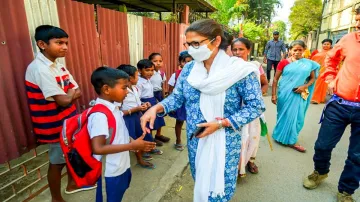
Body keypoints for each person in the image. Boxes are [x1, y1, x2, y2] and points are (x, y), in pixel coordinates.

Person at [140, 19, 265, 202]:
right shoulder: (190, 69)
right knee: (200, 178)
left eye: (196, 44)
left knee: (220, 183)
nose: (191, 49)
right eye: (188, 44)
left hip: (226, 140)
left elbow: (256, 106)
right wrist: (156, 107)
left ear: (215, 41)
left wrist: (222, 123)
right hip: (196, 138)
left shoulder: (239, 71)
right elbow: (177, 97)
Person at [25, 25, 92, 202]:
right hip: (54, 126)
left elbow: (78, 90)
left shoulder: (58, 66)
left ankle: (72, 185)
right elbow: (64, 100)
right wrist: (69, 95)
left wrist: (68, 95)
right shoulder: (40, 69)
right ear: (42, 44)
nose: (65, 47)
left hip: (67, 121)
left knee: (69, 154)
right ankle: (56, 198)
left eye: (66, 43)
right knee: (57, 162)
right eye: (59, 43)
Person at [303, 7, 360, 202]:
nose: (357, 24)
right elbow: (331, 58)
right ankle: (320, 171)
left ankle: (346, 190)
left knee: (357, 155)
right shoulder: (349, 39)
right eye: (357, 19)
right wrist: (330, 78)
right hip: (339, 104)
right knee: (323, 145)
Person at [89, 67, 156, 202]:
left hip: (121, 166)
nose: (127, 92)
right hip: (109, 172)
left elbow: (120, 133)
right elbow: (98, 148)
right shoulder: (99, 115)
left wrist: (133, 143)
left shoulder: (114, 108)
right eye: (124, 88)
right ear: (106, 89)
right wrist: (131, 145)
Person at [271, 40, 319, 153]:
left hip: (299, 94)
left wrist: (305, 86)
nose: (297, 52)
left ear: (304, 50)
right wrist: (273, 94)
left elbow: (313, 78)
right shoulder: (284, 62)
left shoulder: (309, 63)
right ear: (290, 50)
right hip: (285, 93)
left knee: (298, 117)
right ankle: (279, 136)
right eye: (295, 50)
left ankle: (292, 140)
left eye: (300, 50)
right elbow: (275, 79)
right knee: (283, 115)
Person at [231, 37, 269, 177]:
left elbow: (265, 84)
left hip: (252, 110)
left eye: (241, 49)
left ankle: (251, 161)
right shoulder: (228, 67)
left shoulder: (254, 66)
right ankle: (237, 165)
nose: (237, 52)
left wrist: (257, 96)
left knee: (253, 136)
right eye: (234, 49)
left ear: (248, 50)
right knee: (239, 138)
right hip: (235, 110)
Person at [117, 64, 155, 169]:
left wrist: (143, 104)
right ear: (130, 78)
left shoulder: (134, 88)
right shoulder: (120, 92)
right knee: (134, 138)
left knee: (142, 134)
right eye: (137, 75)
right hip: (128, 119)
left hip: (137, 116)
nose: (138, 78)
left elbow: (136, 102)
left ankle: (142, 153)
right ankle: (139, 159)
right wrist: (136, 109)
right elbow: (118, 112)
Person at [136, 59, 165, 154]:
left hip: (152, 102)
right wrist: (142, 105)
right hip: (145, 105)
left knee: (151, 125)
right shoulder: (139, 83)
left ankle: (150, 144)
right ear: (140, 70)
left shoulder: (148, 80)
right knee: (146, 127)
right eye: (147, 70)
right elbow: (138, 97)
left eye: (152, 70)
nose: (150, 73)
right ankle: (146, 148)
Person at [168, 51, 193, 151]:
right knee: (179, 122)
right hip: (180, 103)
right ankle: (178, 140)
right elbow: (170, 91)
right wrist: (171, 105)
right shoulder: (176, 75)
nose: (187, 64)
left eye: (190, 62)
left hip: (191, 103)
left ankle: (192, 141)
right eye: (185, 62)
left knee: (193, 123)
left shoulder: (197, 75)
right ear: (180, 63)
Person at [149, 53, 170, 145]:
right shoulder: (149, 73)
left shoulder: (161, 73)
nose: (158, 63)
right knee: (152, 117)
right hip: (151, 96)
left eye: (160, 61)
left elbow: (161, 86)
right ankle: (150, 137)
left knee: (160, 116)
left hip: (159, 95)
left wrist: (163, 98)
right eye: (155, 61)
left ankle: (158, 134)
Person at [310, 39, 333, 104]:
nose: (326, 45)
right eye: (324, 44)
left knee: (324, 86)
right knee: (317, 84)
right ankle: (315, 98)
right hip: (318, 71)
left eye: (328, 44)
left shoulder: (333, 52)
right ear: (322, 45)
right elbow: (312, 61)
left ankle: (321, 98)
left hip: (328, 71)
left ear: (331, 45)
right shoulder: (317, 52)